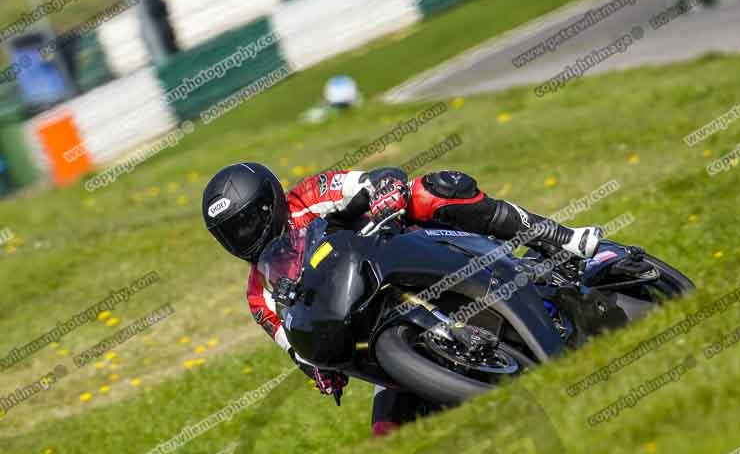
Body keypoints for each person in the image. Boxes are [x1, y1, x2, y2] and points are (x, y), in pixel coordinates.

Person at [202, 164, 603, 436]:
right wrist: (320, 371)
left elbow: (375, 180)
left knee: (433, 189)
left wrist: (384, 196)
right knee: (385, 438)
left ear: (270, 203)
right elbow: (293, 344)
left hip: (404, 250)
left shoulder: (309, 196)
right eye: (231, 233)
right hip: (372, 328)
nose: (244, 237)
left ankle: (559, 237)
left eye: (249, 221)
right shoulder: (259, 293)